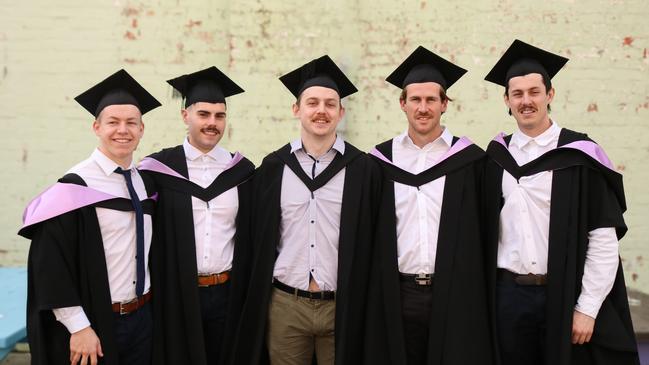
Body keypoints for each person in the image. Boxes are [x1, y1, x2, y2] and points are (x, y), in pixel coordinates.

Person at [483, 39, 640, 365]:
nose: (526, 101)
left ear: (550, 95)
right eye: (518, 94)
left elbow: (603, 239)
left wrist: (587, 308)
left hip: (564, 294)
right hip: (508, 298)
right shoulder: (496, 158)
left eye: (534, 92)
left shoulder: (580, 155)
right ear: (507, 100)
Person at [231, 55, 379, 365]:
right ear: (297, 109)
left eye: (329, 104)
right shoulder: (272, 169)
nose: (321, 111)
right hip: (287, 305)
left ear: (341, 112)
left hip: (343, 305)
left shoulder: (363, 169)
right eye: (312, 103)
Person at [19, 69, 161, 365]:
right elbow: (50, 266)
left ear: (142, 129)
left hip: (143, 319)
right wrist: (79, 327)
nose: (123, 130)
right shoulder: (74, 187)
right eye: (113, 122)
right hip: (95, 322)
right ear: (96, 127)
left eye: (131, 123)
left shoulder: (146, 183)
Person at [363, 46, 493, 365]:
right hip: (398, 294)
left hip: (455, 293)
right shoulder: (379, 163)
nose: (423, 108)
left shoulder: (471, 162)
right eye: (416, 100)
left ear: (444, 104)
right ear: (403, 103)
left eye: (431, 99)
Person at [138, 66, 254, 365]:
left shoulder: (242, 172)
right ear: (185, 116)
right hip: (175, 293)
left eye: (219, 115)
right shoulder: (156, 170)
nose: (212, 123)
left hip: (227, 293)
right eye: (203, 114)